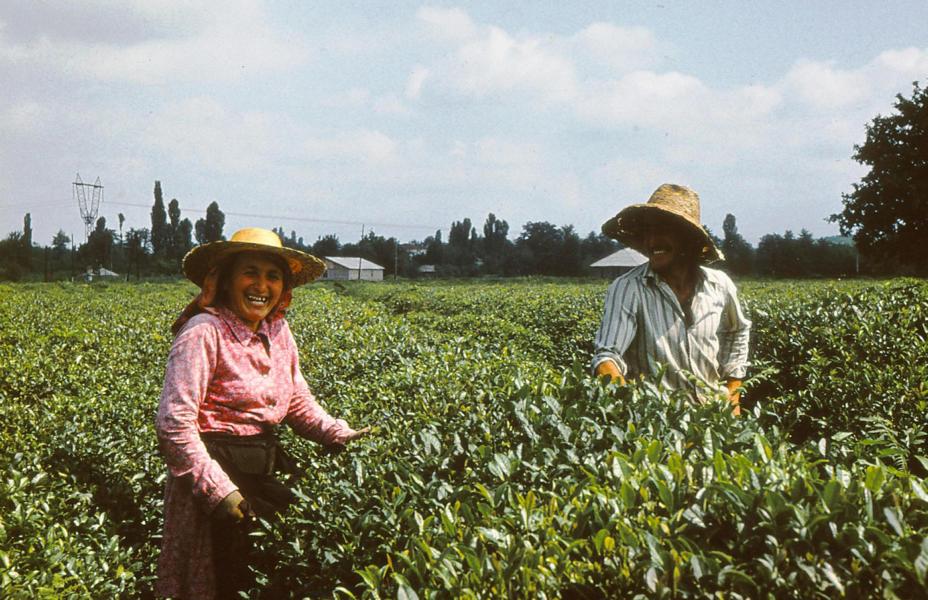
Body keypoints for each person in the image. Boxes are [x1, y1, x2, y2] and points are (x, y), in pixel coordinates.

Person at [155, 227, 370, 599]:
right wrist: (219, 492)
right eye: (250, 272)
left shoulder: (278, 330)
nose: (261, 285)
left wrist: (337, 432)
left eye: (273, 276)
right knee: (218, 581)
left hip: (260, 468)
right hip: (215, 473)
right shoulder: (203, 332)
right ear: (224, 279)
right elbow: (174, 426)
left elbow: (296, 400)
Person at [592, 184, 751, 414]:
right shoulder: (629, 288)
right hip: (658, 427)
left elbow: (737, 331)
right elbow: (607, 357)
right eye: (648, 231)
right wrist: (630, 408)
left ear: (688, 238)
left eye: (664, 230)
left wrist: (733, 393)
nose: (652, 240)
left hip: (713, 423)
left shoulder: (719, 285)